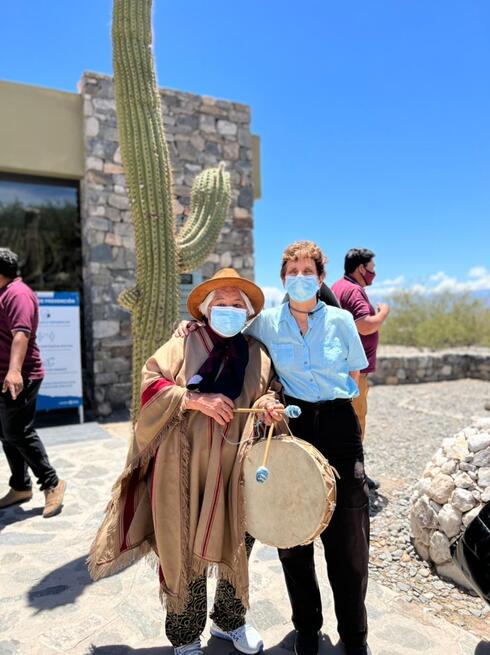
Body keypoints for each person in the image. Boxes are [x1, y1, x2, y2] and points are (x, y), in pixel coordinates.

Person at [176, 242, 372, 655]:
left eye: (308, 271)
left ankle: (354, 635)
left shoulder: (341, 321)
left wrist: (350, 420)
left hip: (339, 426)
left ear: (320, 278)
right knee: (291, 532)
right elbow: (225, 337)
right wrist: (189, 328)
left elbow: (355, 374)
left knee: (348, 538)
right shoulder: (265, 322)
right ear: (283, 278)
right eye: (292, 271)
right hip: (292, 426)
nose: (300, 277)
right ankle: (307, 627)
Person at [88, 268, 284, 655]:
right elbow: (151, 384)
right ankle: (186, 634)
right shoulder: (183, 343)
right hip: (183, 468)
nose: (228, 310)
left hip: (236, 473)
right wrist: (195, 399)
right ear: (207, 310)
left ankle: (230, 622)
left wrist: (267, 405)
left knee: (238, 542)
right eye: (221, 304)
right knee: (185, 545)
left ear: (246, 313)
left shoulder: (258, 354)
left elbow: (269, 391)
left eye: (235, 305)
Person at [0, 247, 65, 518]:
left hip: (22, 375)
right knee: (6, 433)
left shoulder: (18, 294)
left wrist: (14, 371)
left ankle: (52, 483)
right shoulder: (4, 293)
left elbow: (21, 334)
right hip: (5, 375)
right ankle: (20, 486)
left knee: (19, 432)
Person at [331, 248, 390, 490]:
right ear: (360, 268)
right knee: (356, 424)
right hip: (354, 373)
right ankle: (354, 478)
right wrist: (382, 314)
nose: (374, 274)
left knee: (338, 424)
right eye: (372, 269)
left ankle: (339, 473)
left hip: (337, 369)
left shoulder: (336, 287)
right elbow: (364, 326)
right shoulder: (354, 291)